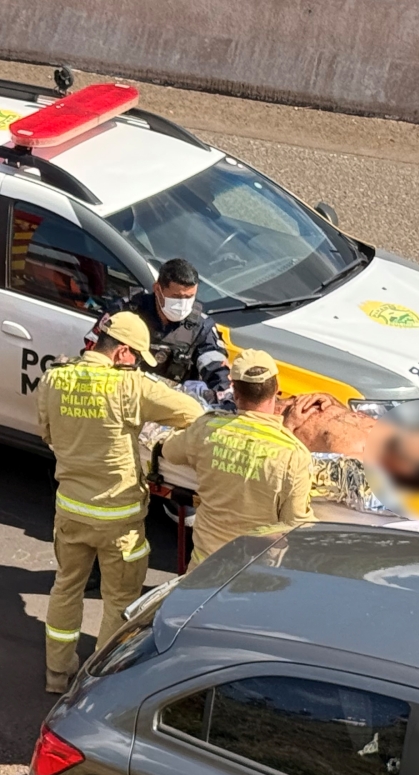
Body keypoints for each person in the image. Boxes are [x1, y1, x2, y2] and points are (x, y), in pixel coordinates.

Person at [38, 311, 203, 693]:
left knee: (66, 587)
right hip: (120, 518)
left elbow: (47, 433)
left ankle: (56, 674)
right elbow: (191, 412)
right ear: (123, 353)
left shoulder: (54, 378)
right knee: (119, 601)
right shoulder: (129, 387)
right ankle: (97, 683)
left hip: (71, 509)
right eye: (138, 359)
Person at [161, 349, 315, 564]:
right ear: (277, 389)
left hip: (205, 564)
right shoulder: (293, 455)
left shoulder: (206, 429)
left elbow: (169, 452)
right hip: (252, 572)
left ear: (234, 392)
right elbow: (296, 523)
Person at [87, 258, 231, 400]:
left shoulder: (201, 327)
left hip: (171, 403)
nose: (183, 303)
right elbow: (93, 353)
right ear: (157, 289)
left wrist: (217, 398)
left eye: (189, 297)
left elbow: (218, 372)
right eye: (176, 296)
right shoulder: (124, 311)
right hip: (121, 395)